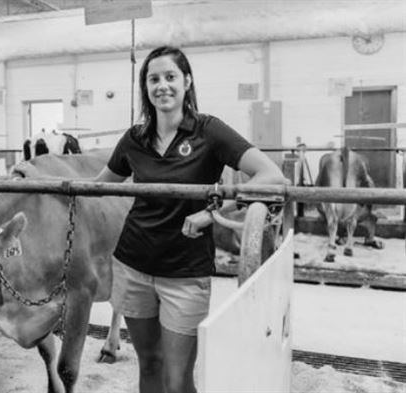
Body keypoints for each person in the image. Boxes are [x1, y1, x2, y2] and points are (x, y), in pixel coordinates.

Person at [92, 46, 287, 393]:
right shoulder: (134, 139)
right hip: (133, 265)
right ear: (145, 87)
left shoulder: (208, 132)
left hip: (185, 272)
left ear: (187, 81)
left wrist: (212, 212)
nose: (162, 86)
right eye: (154, 79)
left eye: (170, 77)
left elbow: (271, 176)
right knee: (149, 364)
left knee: (179, 377)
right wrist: (45, 190)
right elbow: (98, 187)